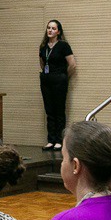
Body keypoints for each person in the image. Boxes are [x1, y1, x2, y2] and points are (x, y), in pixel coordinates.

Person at [38, 19, 76, 150]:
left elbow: (72, 65)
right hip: (46, 80)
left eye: (53, 28)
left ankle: (59, 140)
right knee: (49, 111)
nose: (50, 30)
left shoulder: (63, 46)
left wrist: (64, 77)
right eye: (48, 28)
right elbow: (42, 63)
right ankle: (51, 140)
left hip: (59, 80)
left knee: (59, 110)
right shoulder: (43, 46)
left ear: (58, 32)